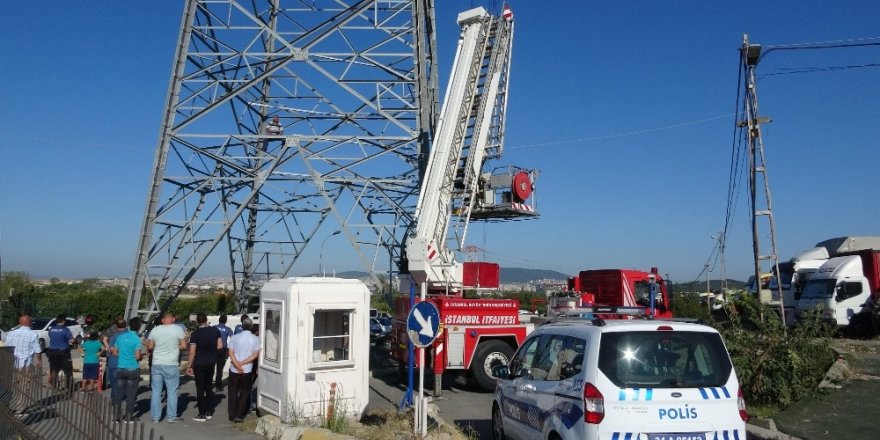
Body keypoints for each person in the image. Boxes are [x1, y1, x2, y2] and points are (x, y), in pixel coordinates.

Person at [146, 312, 187, 423]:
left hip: (157, 362)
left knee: (156, 391)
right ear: (173, 319)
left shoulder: (155, 330)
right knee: (172, 391)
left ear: (163, 320)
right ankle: (171, 417)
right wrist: (174, 346)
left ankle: (155, 417)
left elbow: (150, 346)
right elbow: (184, 346)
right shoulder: (178, 329)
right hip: (171, 363)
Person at [187, 313, 222, 421]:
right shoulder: (215, 331)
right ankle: (209, 411)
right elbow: (220, 345)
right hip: (211, 361)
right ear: (206, 320)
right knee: (209, 387)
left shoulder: (195, 334)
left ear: (197, 321)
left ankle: (201, 413)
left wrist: (189, 366)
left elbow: (192, 352)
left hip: (199, 362)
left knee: (200, 388)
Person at [5, 315, 43, 413]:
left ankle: (5, 405)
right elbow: (37, 350)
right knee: (23, 386)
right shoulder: (32, 334)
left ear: (19, 322)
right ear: (30, 323)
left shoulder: (11, 333)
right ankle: (20, 407)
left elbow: (7, 347)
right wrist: (39, 360)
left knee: (8, 385)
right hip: (25, 364)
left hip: (11, 363)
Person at [227, 318, 260, 423]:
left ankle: (232, 414)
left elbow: (230, 353)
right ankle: (240, 415)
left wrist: (237, 365)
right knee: (244, 392)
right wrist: (242, 364)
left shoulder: (234, 337)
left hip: (234, 368)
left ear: (242, 326)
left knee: (232, 392)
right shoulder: (255, 339)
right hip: (247, 369)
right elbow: (255, 355)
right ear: (251, 327)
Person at [113, 317, 143, 423]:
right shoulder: (137, 339)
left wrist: (123, 356)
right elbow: (138, 356)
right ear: (139, 327)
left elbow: (115, 352)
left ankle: (117, 417)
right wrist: (140, 357)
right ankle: (129, 417)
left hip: (121, 367)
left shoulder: (121, 337)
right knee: (131, 394)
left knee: (119, 393)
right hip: (132, 368)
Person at [46, 314, 74, 390]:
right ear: (64, 321)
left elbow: (51, 336)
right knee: (68, 371)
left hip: (53, 352)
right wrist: (72, 341)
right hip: (63, 352)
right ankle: (68, 387)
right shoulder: (65, 330)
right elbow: (71, 340)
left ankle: (54, 386)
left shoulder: (51, 329)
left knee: (54, 370)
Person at [103, 317, 128, 401]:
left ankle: (115, 399)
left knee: (114, 382)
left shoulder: (113, 334)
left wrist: (109, 349)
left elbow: (107, 342)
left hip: (114, 360)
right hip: (126, 361)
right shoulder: (130, 334)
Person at [213, 314, 232, 391]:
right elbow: (233, 339)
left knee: (210, 367)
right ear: (226, 321)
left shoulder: (214, 327)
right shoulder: (228, 329)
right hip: (223, 350)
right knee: (219, 369)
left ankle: (207, 386)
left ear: (219, 320)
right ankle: (218, 386)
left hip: (213, 349)